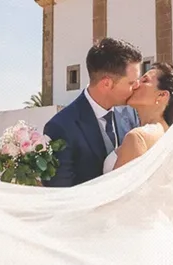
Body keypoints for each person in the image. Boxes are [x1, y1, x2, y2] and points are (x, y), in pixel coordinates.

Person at [42, 37, 143, 187]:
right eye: (131, 82)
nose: (137, 86)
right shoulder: (61, 127)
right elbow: (61, 195)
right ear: (106, 83)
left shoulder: (131, 113)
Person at [103, 62, 173, 174]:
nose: (136, 84)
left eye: (144, 80)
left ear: (162, 96)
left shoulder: (138, 137)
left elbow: (118, 190)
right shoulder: (169, 136)